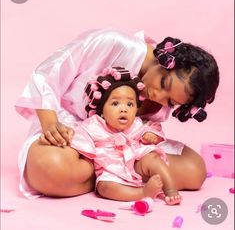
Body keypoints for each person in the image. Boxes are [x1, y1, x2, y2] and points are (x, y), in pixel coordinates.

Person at [15, 28, 219, 199]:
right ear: (165, 59)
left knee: (194, 170)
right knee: (49, 167)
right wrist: (51, 123)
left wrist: (147, 140)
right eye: (164, 83)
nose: (158, 96)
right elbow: (48, 72)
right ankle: (110, 177)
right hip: (73, 130)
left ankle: (109, 177)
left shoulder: (159, 102)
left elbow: (141, 130)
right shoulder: (113, 43)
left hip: (126, 146)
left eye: (170, 101)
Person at [71, 67, 181, 205]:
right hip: (111, 170)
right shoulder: (94, 125)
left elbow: (152, 128)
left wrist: (151, 135)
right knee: (104, 188)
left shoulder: (136, 124)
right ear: (102, 109)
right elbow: (80, 135)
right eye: (115, 103)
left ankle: (170, 191)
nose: (124, 108)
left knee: (153, 158)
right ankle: (142, 193)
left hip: (135, 163)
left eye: (130, 104)